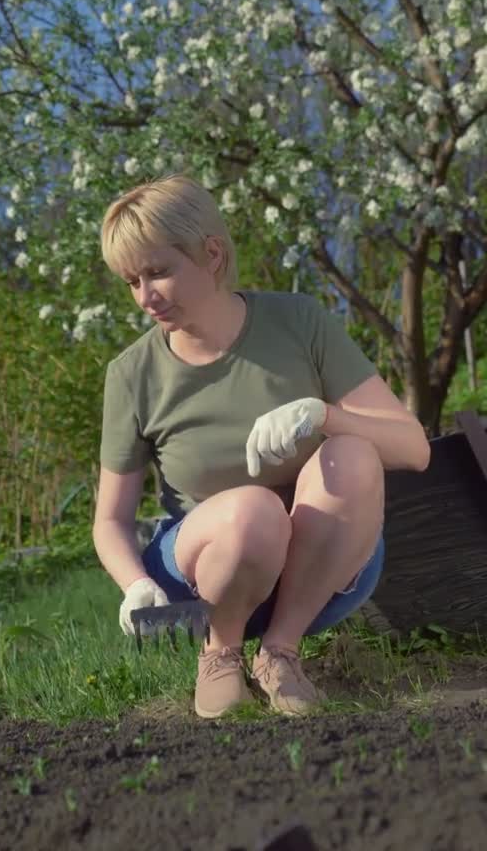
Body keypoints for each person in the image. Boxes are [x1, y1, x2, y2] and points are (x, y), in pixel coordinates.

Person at [93, 173, 431, 720]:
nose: (144, 297)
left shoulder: (299, 322)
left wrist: (326, 416)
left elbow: (415, 449)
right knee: (254, 509)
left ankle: (280, 654)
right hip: (202, 574)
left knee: (353, 451)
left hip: (321, 570)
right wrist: (134, 586)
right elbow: (109, 520)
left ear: (212, 254)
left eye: (158, 272)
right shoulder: (132, 374)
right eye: (132, 280)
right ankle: (219, 655)